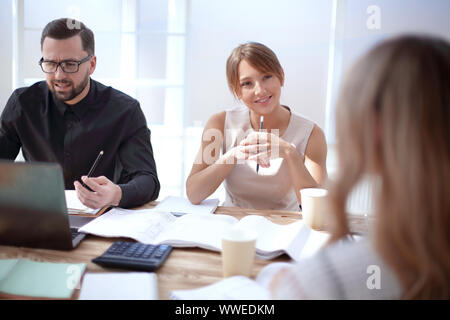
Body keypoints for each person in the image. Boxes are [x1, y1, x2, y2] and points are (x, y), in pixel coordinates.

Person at [270, 35, 450, 299]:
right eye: (246, 83)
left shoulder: (321, 282)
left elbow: (316, 193)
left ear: (374, 128)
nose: (258, 90)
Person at [0, 18, 160, 209]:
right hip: (39, 216)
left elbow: (148, 180)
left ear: (91, 65)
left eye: (70, 64)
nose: (59, 75)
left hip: (103, 219)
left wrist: (117, 194)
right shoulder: (23, 103)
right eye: (50, 64)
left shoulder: (125, 110)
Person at [186, 42, 328, 211]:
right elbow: (194, 193)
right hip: (233, 225)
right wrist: (232, 156)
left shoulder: (311, 134)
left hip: (284, 226)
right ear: (237, 91)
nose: (260, 90)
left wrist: (290, 153)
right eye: (247, 83)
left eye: (267, 77)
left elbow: (319, 207)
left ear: (281, 76)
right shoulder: (218, 124)